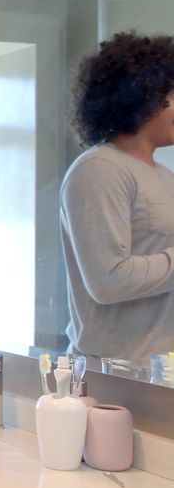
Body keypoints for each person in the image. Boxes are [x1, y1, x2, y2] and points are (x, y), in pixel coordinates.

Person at [61, 31, 174, 367]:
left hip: (157, 373)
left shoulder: (164, 176)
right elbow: (108, 281)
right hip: (114, 377)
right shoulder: (99, 168)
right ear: (147, 96)